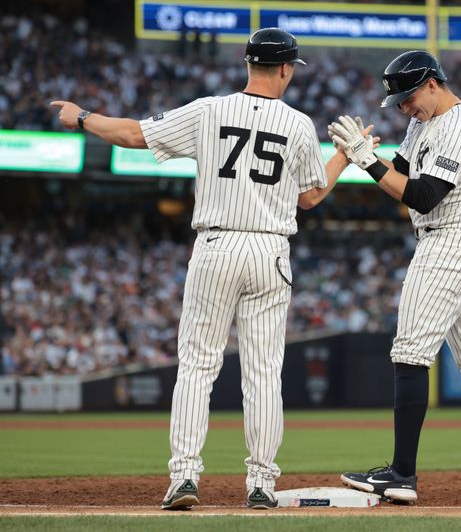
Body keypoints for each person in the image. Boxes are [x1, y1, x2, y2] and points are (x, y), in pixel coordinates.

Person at [51, 28, 361, 510]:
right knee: (263, 373)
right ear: (285, 69)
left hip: (216, 244)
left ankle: (184, 479)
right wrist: (344, 154)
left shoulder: (209, 109)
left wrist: (83, 117)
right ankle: (261, 484)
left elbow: (133, 134)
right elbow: (311, 196)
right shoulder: (300, 124)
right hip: (270, 251)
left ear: (247, 65)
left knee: (197, 365)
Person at [328, 51, 461, 503]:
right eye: (399, 102)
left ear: (431, 83)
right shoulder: (421, 124)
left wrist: (366, 160)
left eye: (408, 97)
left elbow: (423, 197)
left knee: (409, 354)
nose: (405, 107)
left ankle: (401, 474)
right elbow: (399, 179)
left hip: (449, 243)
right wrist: (362, 155)